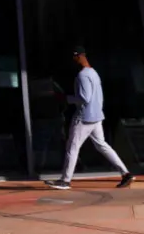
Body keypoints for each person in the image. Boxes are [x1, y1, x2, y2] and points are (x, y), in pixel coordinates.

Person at [47, 47, 134, 190]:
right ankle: (125, 173)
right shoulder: (94, 73)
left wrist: (64, 98)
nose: (73, 60)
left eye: (74, 57)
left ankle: (65, 181)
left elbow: (84, 98)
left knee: (72, 148)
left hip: (84, 118)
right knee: (102, 145)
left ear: (78, 56)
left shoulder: (82, 75)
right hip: (97, 116)